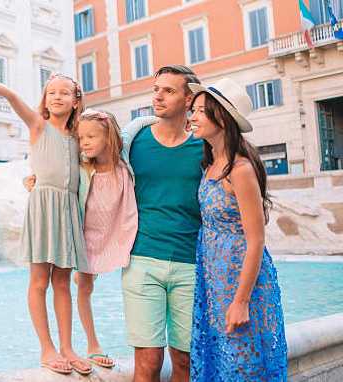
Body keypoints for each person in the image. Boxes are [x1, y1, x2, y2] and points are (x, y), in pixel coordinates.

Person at [0, 56, 92, 375]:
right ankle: (47, 348)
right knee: (40, 280)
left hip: (68, 208)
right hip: (43, 205)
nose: (57, 96)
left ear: (75, 100)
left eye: (64, 92)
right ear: (45, 99)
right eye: (51, 92)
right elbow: (10, 95)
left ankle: (68, 347)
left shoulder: (79, 136)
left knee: (63, 281)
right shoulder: (38, 125)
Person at [187, 78, 287, 381]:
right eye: (193, 110)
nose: (192, 117)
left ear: (223, 117)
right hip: (214, 283)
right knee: (219, 364)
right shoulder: (211, 165)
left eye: (201, 111)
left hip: (242, 285)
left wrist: (241, 301)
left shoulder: (240, 170)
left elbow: (256, 241)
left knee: (243, 368)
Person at [26, 108, 138, 369]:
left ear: (109, 137)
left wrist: (160, 118)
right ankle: (92, 344)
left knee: (127, 280)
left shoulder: (124, 160)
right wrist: (33, 181)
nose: (84, 142)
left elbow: (136, 125)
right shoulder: (82, 167)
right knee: (85, 288)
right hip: (84, 237)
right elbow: (53, 172)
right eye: (80, 138)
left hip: (114, 232)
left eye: (90, 137)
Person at [121, 65, 203, 382]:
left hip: (190, 264)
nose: (158, 95)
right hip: (141, 259)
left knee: (184, 361)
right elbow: (91, 162)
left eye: (168, 90)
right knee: (148, 362)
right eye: (156, 89)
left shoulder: (203, 146)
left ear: (188, 98)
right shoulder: (134, 140)